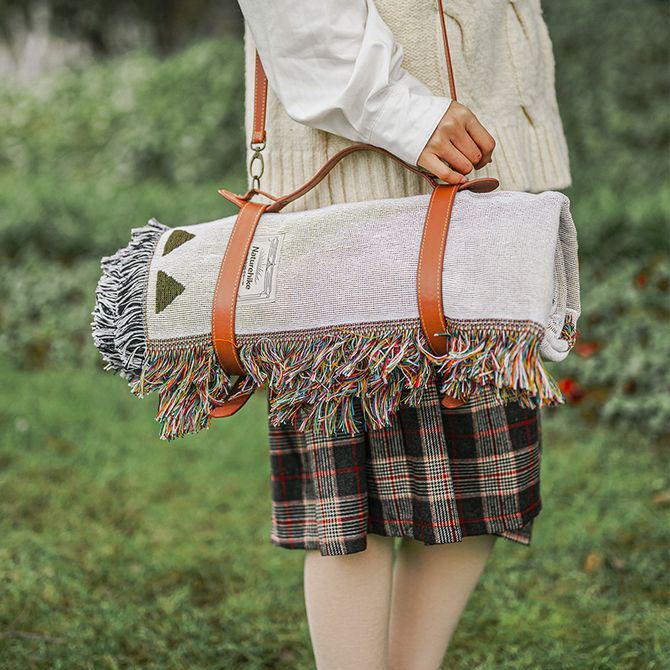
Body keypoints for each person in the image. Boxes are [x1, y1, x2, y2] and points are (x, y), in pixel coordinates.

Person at [236, 1, 571, 668]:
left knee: (479, 475)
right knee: (351, 504)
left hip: (487, 166)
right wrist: (402, 111)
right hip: (351, 178)